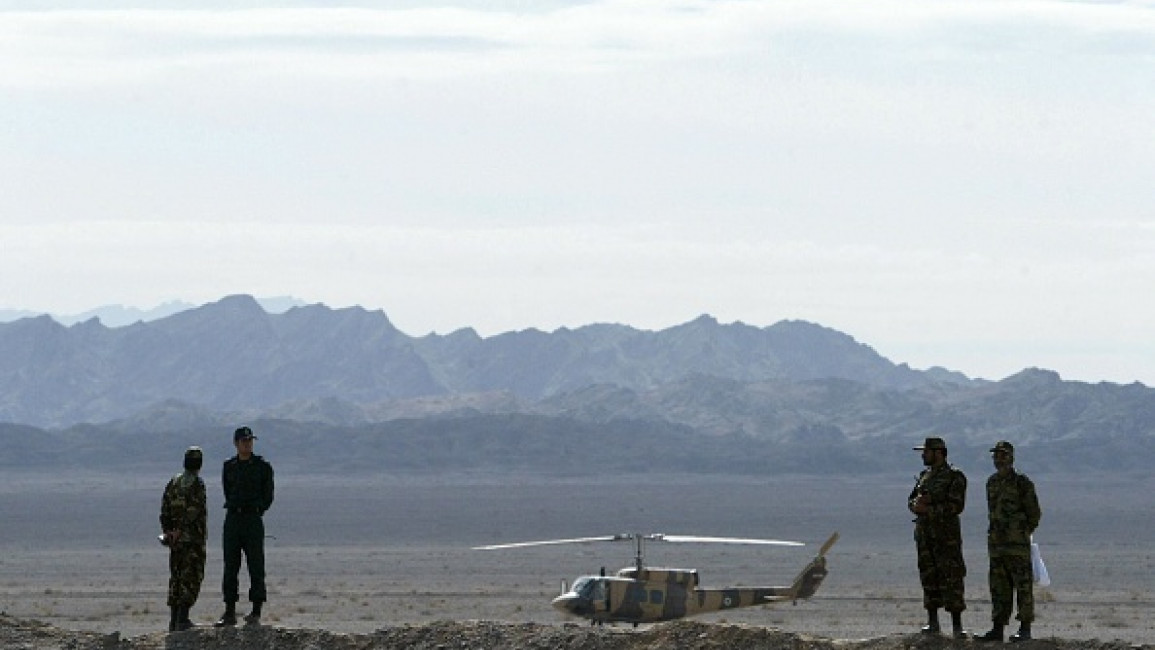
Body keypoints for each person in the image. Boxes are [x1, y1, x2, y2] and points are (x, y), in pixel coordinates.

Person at [977, 441, 1042, 643]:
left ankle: (1024, 628)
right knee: (999, 588)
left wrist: (1021, 532)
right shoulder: (992, 483)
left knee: (1023, 587)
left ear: (1011, 458)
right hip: (997, 546)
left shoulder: (1022, 483)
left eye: (1003, 455)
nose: (999, 459)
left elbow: (1034, 513)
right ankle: (997, 629)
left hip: (1017, 546)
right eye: (996, 456)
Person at [908, 436, 969, 638]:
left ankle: (957, 627)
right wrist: (916, 506)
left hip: (946, 538)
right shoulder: (924, 476)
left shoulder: (954, 477)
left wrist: (930, 508)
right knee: (928, 577)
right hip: (926, 538)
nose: (923, 455)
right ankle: (933, 623)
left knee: (951, 578)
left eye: (926, 451)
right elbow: (911, 501)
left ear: (939, 453)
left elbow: (956, 506)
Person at [215, 426, 275, 627]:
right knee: (231, 565)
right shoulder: (229, 466)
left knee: (256, 564)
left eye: (250, 440)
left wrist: (257, 510)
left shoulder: (262, 466)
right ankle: (229, 611)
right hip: (233, 518)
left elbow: (268, 495)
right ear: (236, 443)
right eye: (244, 441)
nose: (247, 444)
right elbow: (227, 490)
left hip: (252, 519)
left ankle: (256, 610)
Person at [160, 446, 207, 632]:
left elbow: (164, 509)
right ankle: (182, 619)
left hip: (175, 541)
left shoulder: (174, 482)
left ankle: (174, 620)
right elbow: (194, 511)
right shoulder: (197, 484)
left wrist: (169, 531)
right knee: (191, 576)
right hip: (192, 539)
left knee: (176, 576)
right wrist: (180, 530)